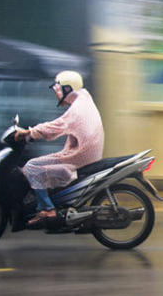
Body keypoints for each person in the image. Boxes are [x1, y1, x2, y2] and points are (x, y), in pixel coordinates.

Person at [14, 71, 104, 226]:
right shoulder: (83, 99)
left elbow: (57, 126)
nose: (56, 94)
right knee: (40, 165)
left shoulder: (77, 109)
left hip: (80, 157)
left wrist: (30, 132)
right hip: (87, 153)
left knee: (31, 167)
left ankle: (47, 209)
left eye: (58, 90)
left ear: (68, 89)